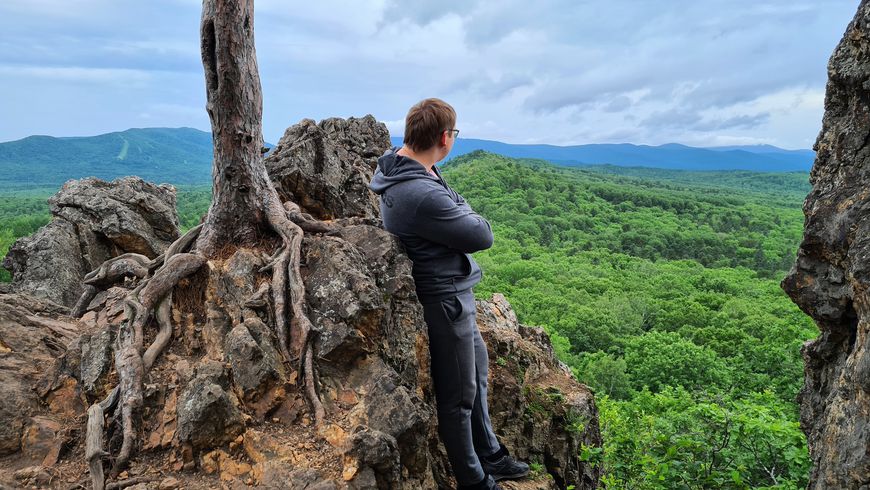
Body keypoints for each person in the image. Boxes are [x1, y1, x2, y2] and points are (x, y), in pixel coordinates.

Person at [369, 98, 529, 490]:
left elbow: (462, 216)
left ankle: (489, 453)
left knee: (477, 377)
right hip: (444, 299)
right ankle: (473, 479)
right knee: (458, 395)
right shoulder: (420, 192)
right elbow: (482, 234)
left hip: (454, 292)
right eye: (454, 134)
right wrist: (462, 205)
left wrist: (456, 203)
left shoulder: (403, 167)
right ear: (444, 137)